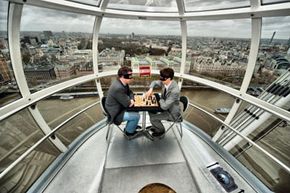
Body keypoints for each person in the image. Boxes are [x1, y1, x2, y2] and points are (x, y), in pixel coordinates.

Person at [145, 67, 181, 138]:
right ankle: (155, 126)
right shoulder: (165, 82)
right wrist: (151, 89)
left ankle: (160, 131)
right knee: (150, 111)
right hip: (166, 106)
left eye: (163, 79)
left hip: (172, 113)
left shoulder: (175, 91)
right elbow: (154, 82)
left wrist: (159, 98)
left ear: (169, 78)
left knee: (153, 118)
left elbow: (164, 106)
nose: (161, 80)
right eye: (161, 78)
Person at [105, 66, 140, 137]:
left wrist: (131, 99)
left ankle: (131, 126)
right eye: (129, 76)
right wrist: (130, 100)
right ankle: (129, 132)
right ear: (122, 76)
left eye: (131, 75)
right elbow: (129, 104)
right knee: (136, 116)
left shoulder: (123, 83)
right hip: (115, 113)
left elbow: (130, 92)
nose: (131, 78)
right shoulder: (118, 88)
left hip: (119, 107)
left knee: (136, 110)